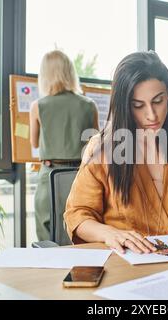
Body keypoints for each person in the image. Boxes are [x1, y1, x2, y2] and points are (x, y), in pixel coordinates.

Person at [64, 51, 168, 253]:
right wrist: (110, 233)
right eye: (138, 105)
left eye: (157, 101)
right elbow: (78, 215)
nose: (151, 115)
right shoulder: (102, 148)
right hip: (121, 260)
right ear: (124, 106)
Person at [30, 49, 98, 241]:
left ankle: (50, 268)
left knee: (46, 227)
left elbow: (34, 142)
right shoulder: (89, 104)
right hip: (82, 175)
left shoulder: (38, 106)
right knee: (81, 225)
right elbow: (96, 143)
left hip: (49, 174)